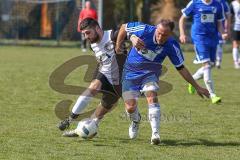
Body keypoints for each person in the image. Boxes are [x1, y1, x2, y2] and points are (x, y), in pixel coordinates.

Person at [115, 19, 209, 145]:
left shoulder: (172, 45)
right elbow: (124, 27)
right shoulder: (144, 29)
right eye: (159, 33)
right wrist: (118, 46)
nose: (160, 37)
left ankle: (155, 133)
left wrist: (197, 86)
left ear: (170, 34)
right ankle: (136, 120)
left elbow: (181, 68)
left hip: (150, 74)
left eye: (164, 35)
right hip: (130, 73)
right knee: (130, 107)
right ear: (155, 28)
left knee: (152, 96)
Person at [58, 18, 127, 137]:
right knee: (93, 87)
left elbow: (126, 29)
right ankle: (69, 119)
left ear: (97, 28)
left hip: (119, 81)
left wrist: (134, 39)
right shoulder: (92, 44)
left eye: (87, 33)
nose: (86, 37)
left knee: (102, 110)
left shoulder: (112, 35)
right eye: (84, 34)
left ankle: (84, 129)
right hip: (104, 73)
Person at [179, 0, 227, 104]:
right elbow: (182, 19)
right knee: (207, 66)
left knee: (212, 64)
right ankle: (213, 95)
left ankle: (193, 81)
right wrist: (182, 34)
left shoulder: (218, 4)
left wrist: (223, 33)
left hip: (213, 38)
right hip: (199, 38)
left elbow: (219, 22)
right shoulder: (195, 3)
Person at [215, 0, 231, 69]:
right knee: (213, 44)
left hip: (221, 27)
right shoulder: (210, 2)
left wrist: (227, 28)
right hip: (211, 27)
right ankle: (212, 60)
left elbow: (228, 16)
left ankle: (218, 61)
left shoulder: (224, 3)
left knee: (220, 44)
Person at [230, 0, 240, 69]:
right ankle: (236, 62)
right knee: (235, 44)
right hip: (237, 26)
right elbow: (230, 16)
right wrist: (228, 26)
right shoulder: (233, 4)